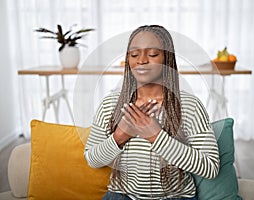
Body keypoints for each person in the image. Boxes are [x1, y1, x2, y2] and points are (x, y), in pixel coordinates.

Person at [84, 25, 220, 200]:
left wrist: (156, 136)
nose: (141, 60)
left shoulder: (189, 105)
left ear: (167, 59)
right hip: (121, 196)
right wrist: (120, 136)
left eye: (153, 54)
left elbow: (210, 167)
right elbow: (92, 160)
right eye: (134, 54)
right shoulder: (110, 104)